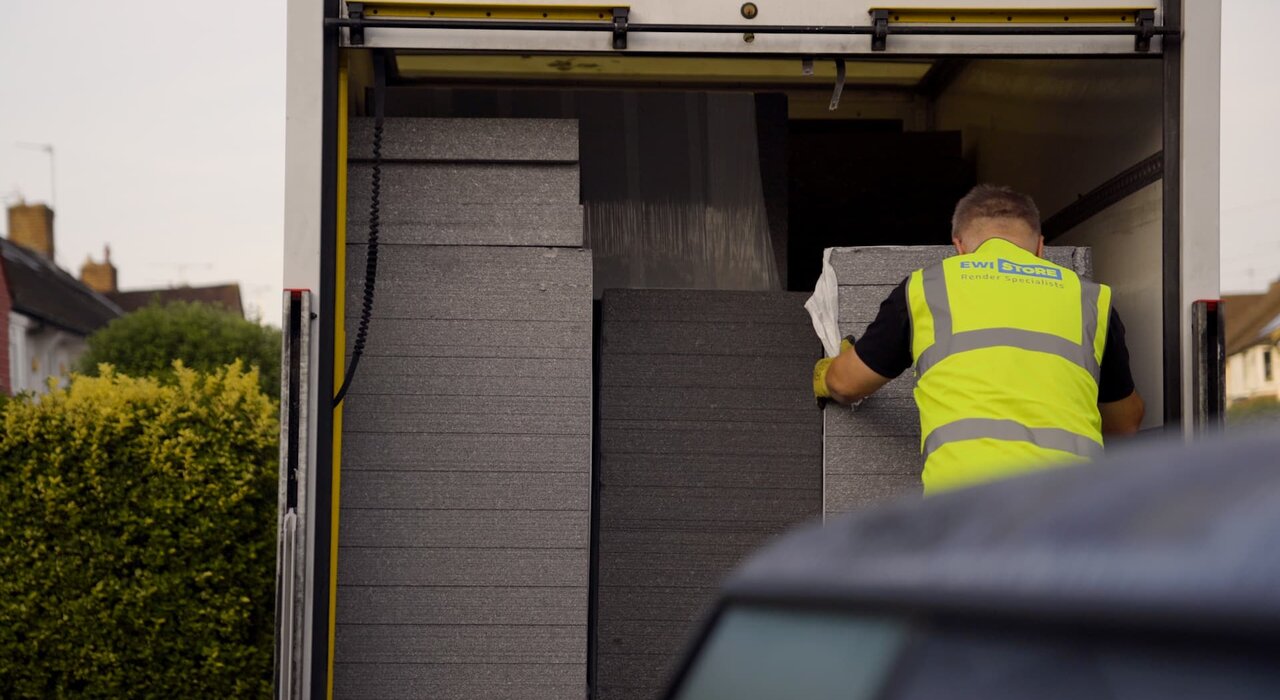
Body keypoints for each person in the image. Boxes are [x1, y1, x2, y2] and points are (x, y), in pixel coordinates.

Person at [813, 184, 1144, 493]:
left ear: (958, 246)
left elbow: (847, 384)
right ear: (1041, 247)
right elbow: (1124, 424)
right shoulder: (1090, 300)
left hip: (965, 510)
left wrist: (829, 373)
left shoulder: (928, 288)